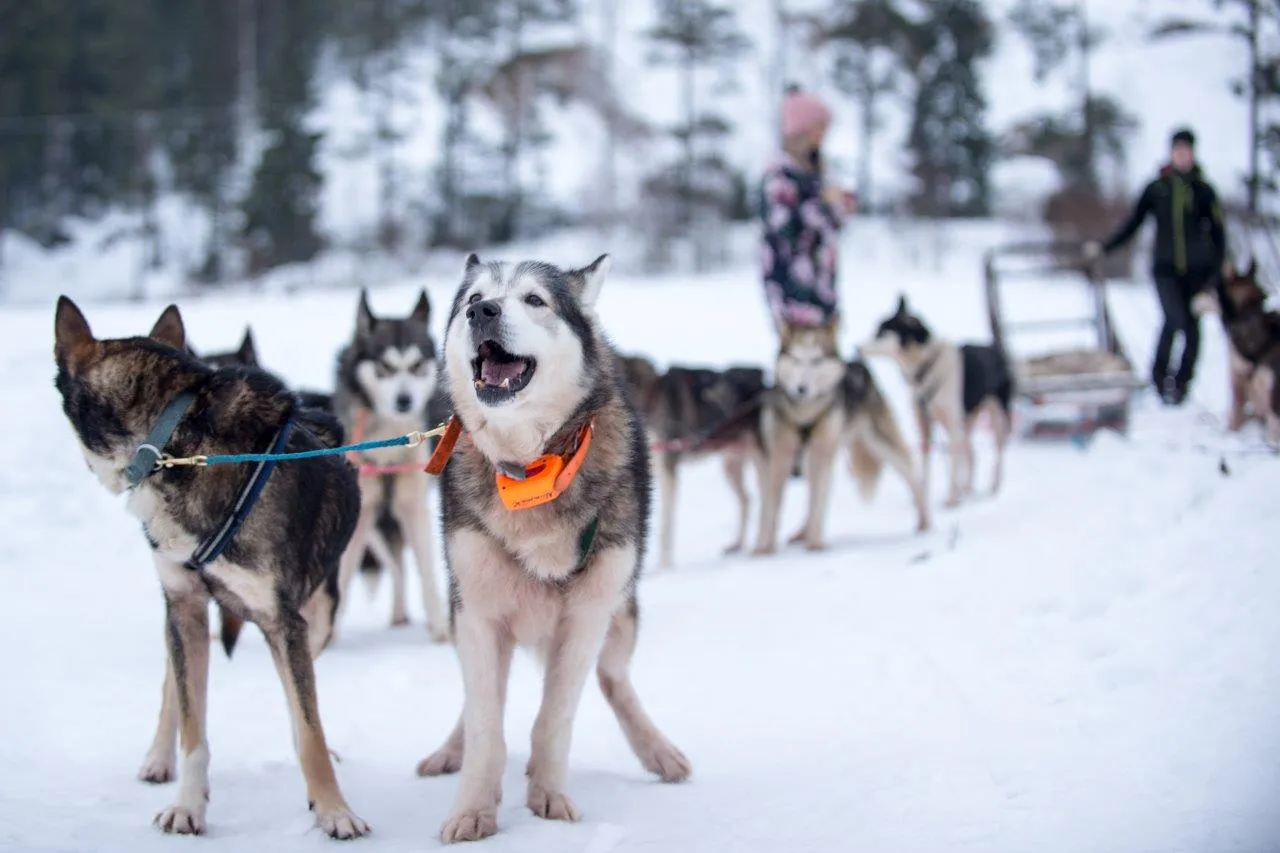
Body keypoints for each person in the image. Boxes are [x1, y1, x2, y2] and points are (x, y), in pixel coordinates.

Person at [1085, 127, 1226, 405]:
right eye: (1177, 150)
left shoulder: (1204, 191)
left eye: (1186, 150)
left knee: (1193, 329)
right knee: (1175, 320)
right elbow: (1134, 222)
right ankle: (1160, 379)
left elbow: (1219, 236)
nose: (1181, 155)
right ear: (1171, 152)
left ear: (1193, 154)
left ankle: (1181, 383)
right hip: (1165, 269)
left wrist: (1214, 277)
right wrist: (1104, 247)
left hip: (1197, 272)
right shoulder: (1157, 189)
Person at [759, 85, 858, 331]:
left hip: (823, 287)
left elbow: (830, 227)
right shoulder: (779, 178)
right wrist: (822, 203)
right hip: (792, 291)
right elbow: (786, 230)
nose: (823, 135)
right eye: (820, 127)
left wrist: (841, 205)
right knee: (802, 361)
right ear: (802, 131)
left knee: (827, 361)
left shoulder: (818, 173)